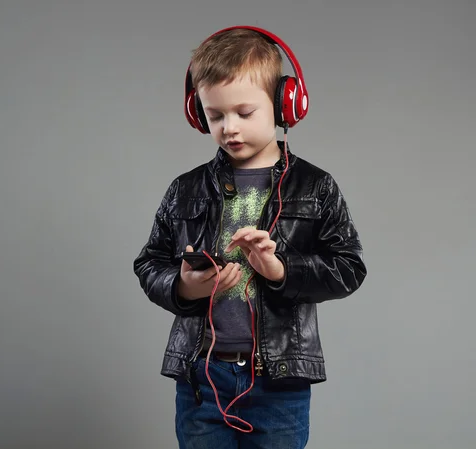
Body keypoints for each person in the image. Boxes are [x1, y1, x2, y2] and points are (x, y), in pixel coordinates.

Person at [133, 25, 367, 449]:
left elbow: (349, 268)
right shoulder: (185, 189)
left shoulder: (316, 187)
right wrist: (184, 285)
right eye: (215, 115)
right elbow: (149, 263)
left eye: (244, 112)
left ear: (284, 105)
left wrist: (281, 270)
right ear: (196, 111)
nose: (229, 128)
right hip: (201, 378)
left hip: (278, 382)